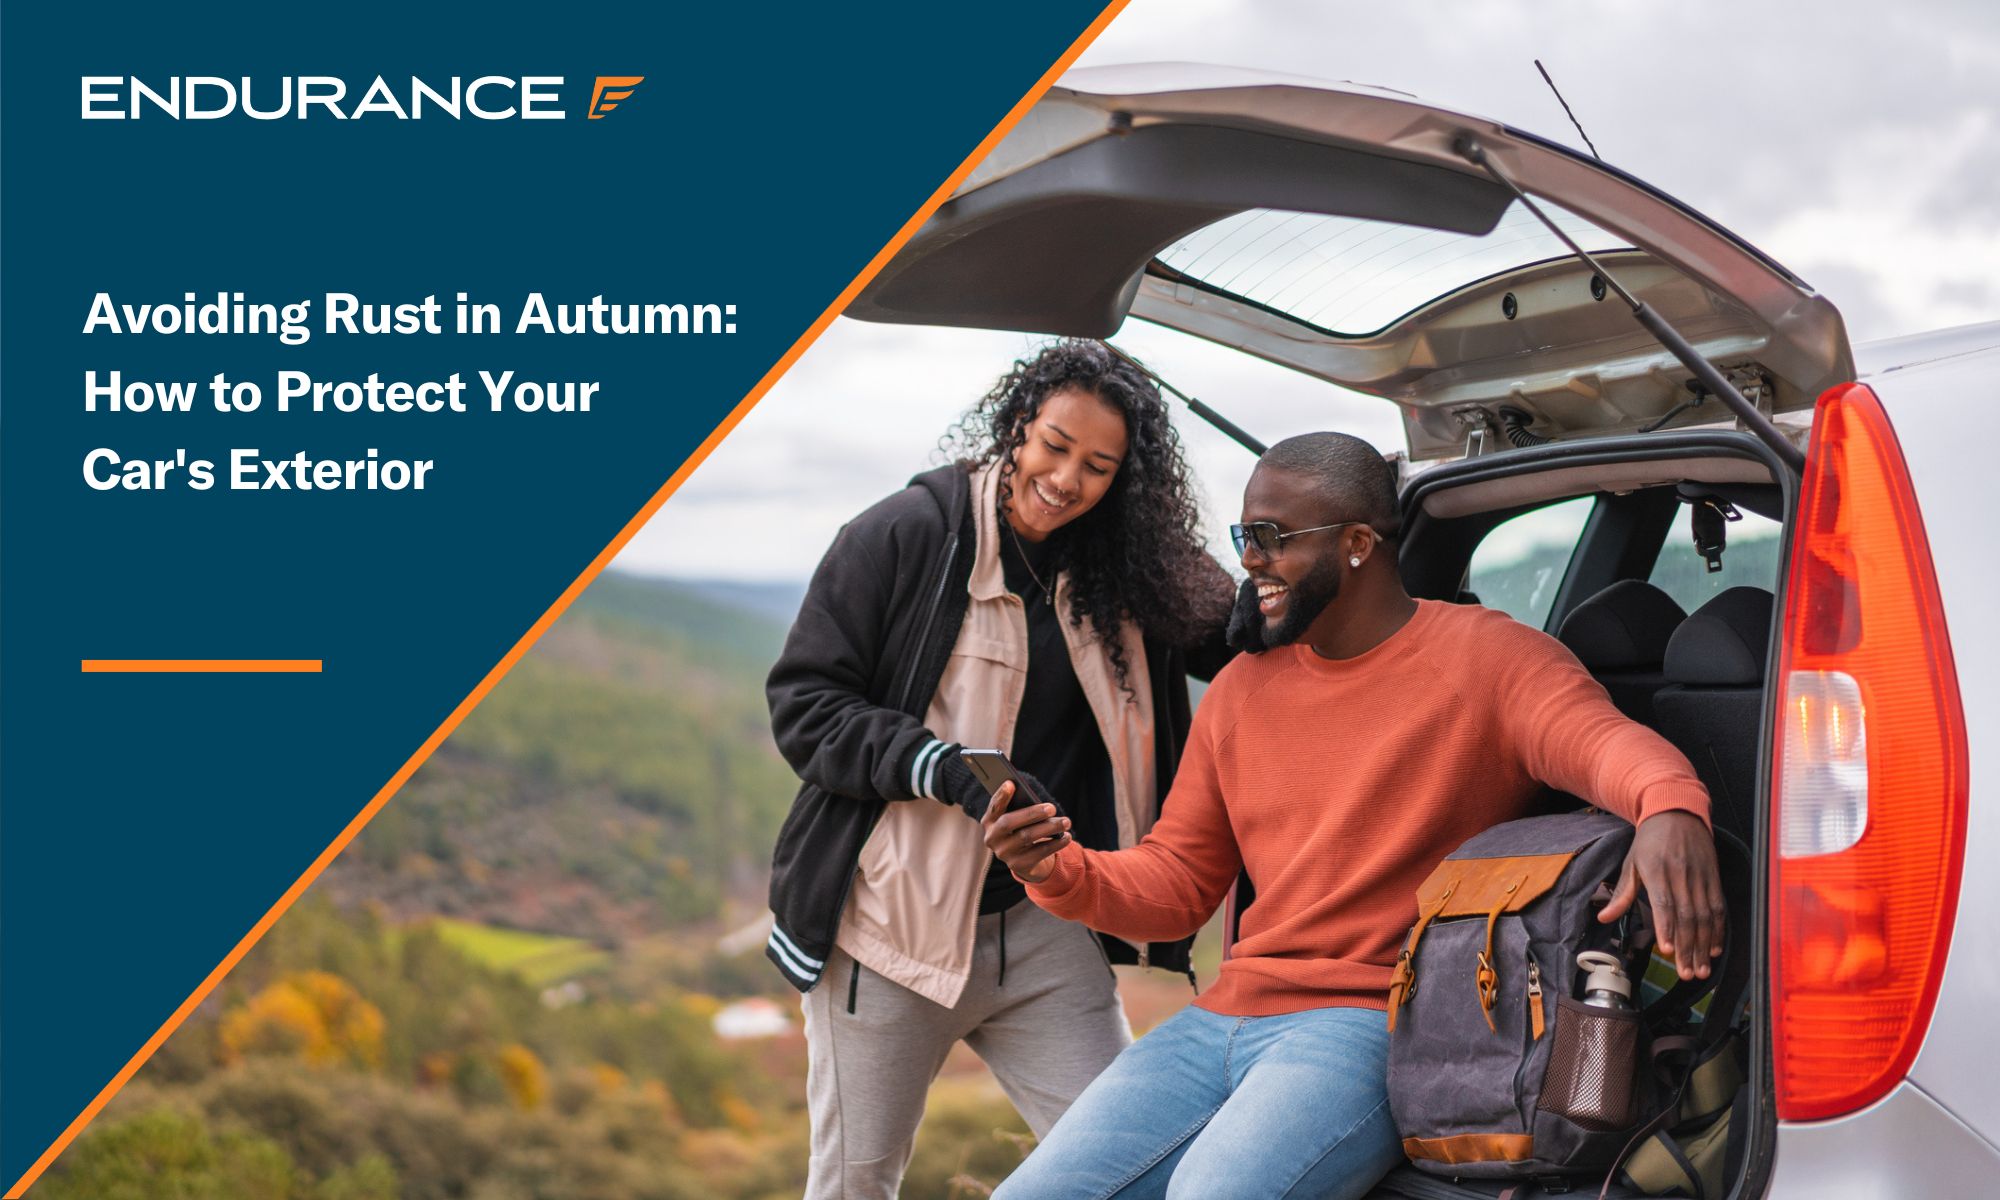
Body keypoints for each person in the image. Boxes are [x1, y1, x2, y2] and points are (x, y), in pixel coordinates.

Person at [985, 432, 1726, 1200]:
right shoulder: (1243, 688)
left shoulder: (1489, 661)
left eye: (1271, 539)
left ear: (1359, 543)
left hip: (1368, 1024)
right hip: (1220, 1022)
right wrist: (1058, 868)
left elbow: (1611, 749)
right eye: (1244, 537)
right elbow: (1177, 882)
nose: (1250, 562)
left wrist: (1670, 808)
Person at [764, 339, 1237, 1200]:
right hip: (893, 931)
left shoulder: (1129, 563)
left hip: (1046, 926)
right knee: (855, 1185)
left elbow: (1245, 637)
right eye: (1055, 445)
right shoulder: (904, 534)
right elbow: (805, 705)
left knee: (1129, 1167)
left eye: (1099, 466)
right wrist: (940, 765)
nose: (1067, 479)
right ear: (1018, 425)